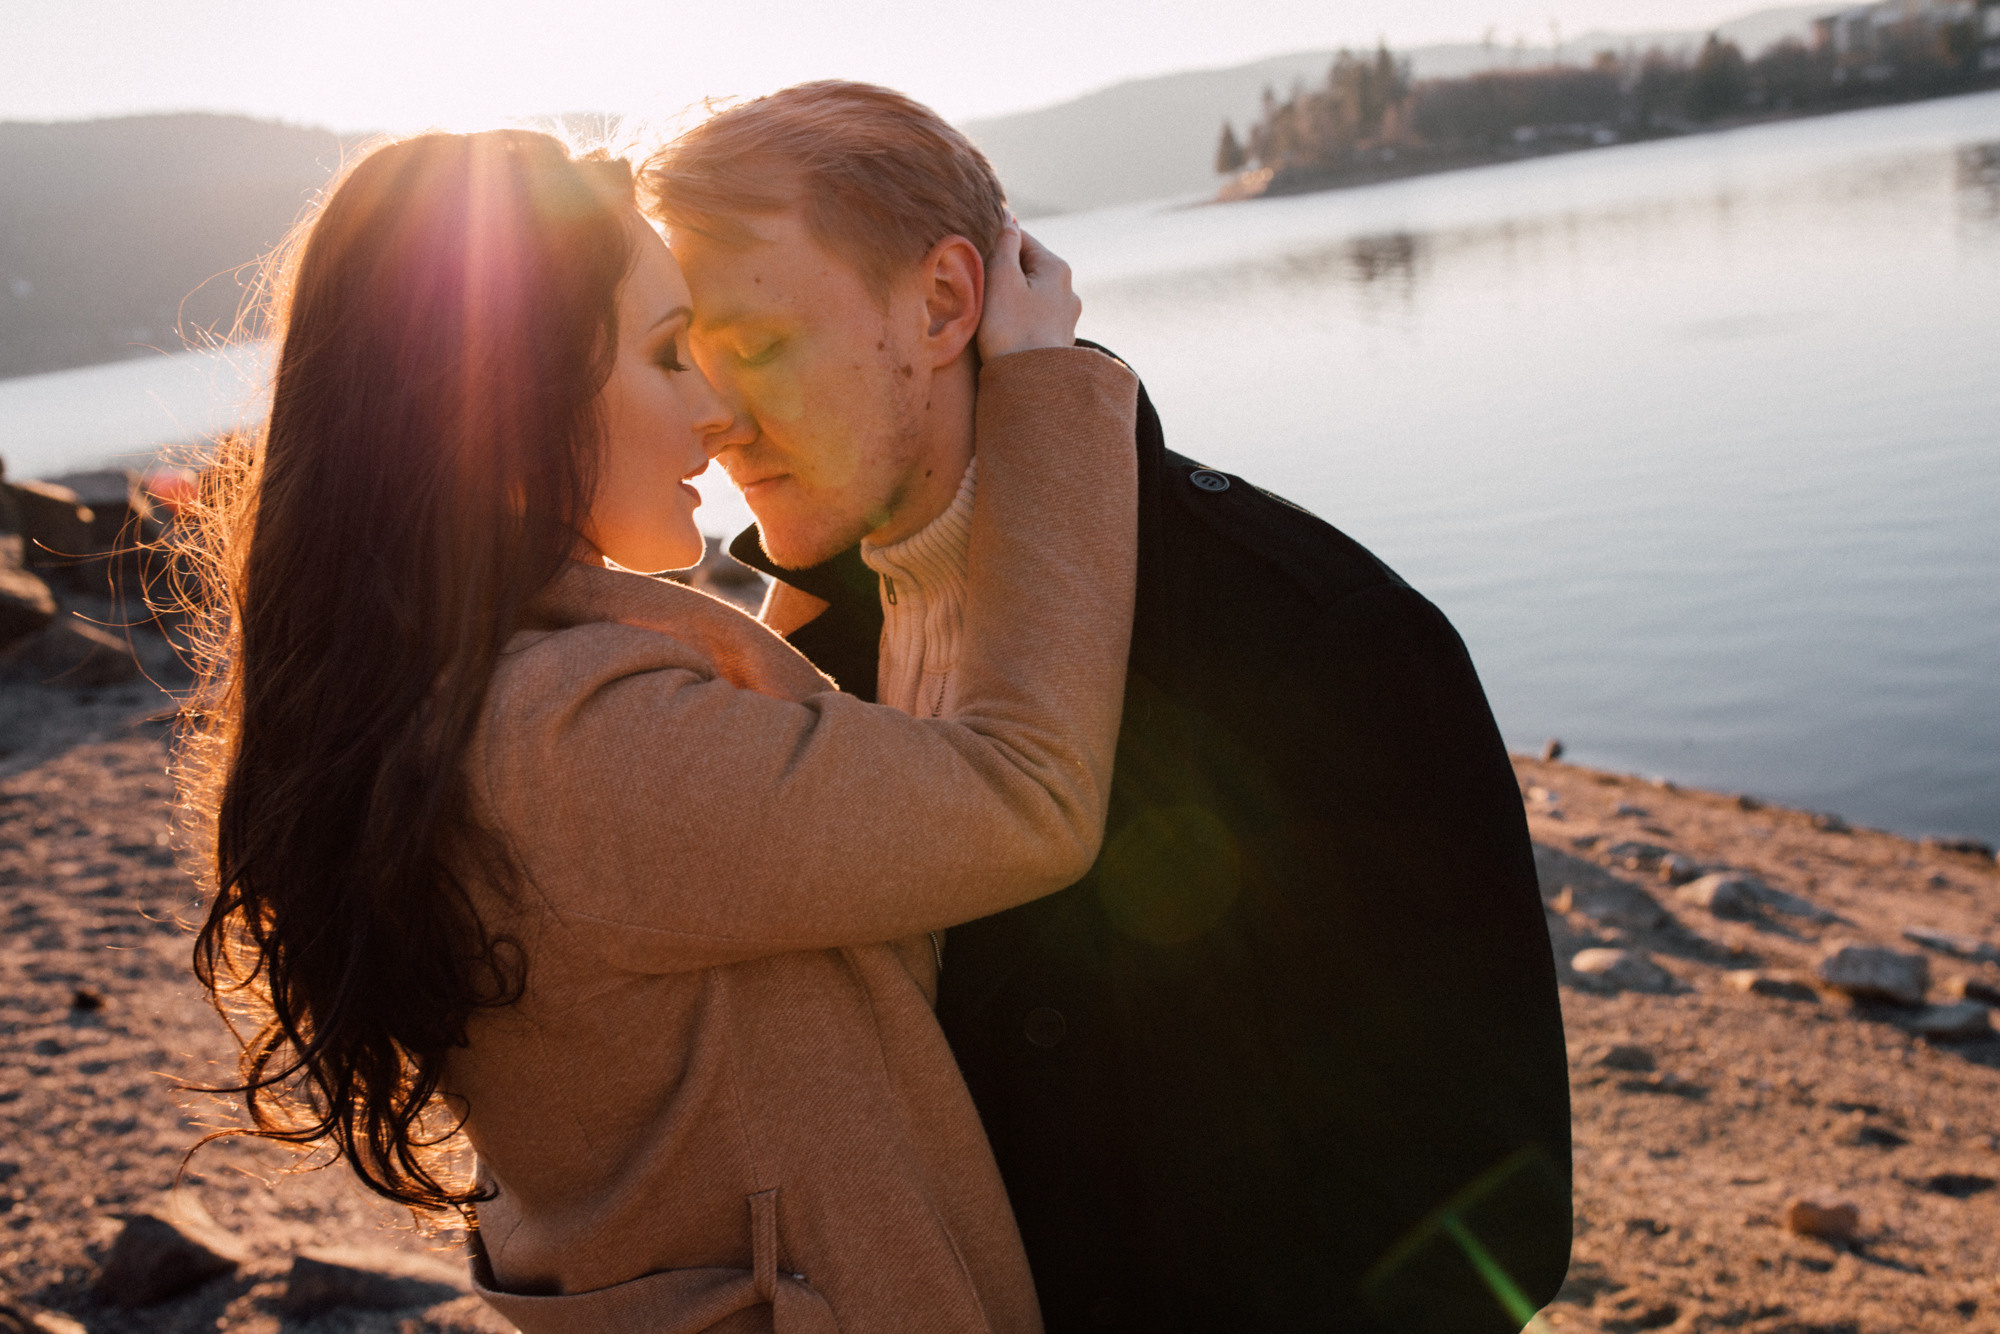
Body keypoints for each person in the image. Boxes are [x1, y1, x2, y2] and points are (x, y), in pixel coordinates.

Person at [644, 82, 1573, 1333]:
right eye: (688, 358)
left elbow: (1480, 1201)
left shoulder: (1313, 638)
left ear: (940, 302)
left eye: (754, 346)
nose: (716, 419)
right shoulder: (784, 660)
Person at [180, 128, 1141, 1334]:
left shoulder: (447, 695)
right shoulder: (572, 742)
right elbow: (1027, 796)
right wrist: (1045, 385)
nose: (712, 405)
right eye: (665, 353)